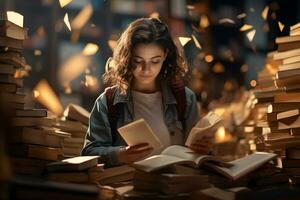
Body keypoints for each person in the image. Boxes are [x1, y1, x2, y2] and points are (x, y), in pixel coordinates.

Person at [81, 18, 213, 167]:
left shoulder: (185, 98)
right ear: (127, 58)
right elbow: (89, 152)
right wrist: (120, 154)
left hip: (175, 185)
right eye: (138, 61)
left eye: (155, 61)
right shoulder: (108, 101)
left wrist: (205, 150)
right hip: (127, 186)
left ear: (165, 55)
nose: (146, 69)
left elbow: (198, 156)